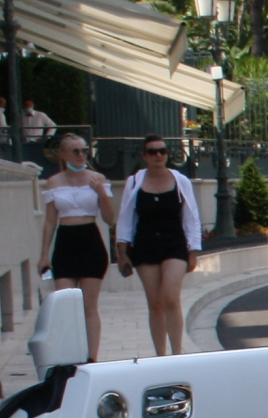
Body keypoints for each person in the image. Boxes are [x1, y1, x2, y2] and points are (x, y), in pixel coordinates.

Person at [116, 135, 202, 355]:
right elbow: (125, 217)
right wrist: (122, 250)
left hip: (174, 242)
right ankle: (160, 355)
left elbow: (191, 216)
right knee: (155, 302)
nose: (158, 155)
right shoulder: (134, 182)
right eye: (153, 152)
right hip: (146, 244)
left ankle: (177, 353)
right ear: (144, 156)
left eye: (162, 151)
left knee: (171, 297)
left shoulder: (180, 180)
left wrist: (193, 250)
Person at [36, 130, 117, 360]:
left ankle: (92, 357)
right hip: (65, 241)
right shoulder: (54, 182)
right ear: (63, 154)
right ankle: (70, 354)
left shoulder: (96, 178)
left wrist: (101, 193)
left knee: (89, 305)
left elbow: (110, 218)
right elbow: (50, 220)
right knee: (66, 304)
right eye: (75, 151)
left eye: (84, 150)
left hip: (90, 239)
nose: (81, 155)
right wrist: (44, 254)